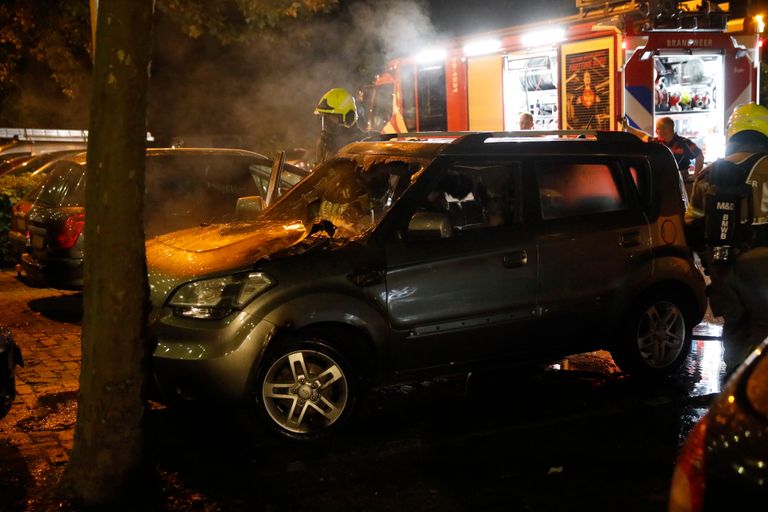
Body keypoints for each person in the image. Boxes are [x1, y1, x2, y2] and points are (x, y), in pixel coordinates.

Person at [685, 102, 768, 375]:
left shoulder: (708, 174)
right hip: (761, 266)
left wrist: (708, 261)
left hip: (721, 265)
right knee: (762, 326)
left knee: (733, 324)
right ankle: (753, 393)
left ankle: (731, 387)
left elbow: (691, 224)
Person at [625, 117, 704, 177]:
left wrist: (696, 177)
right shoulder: (657, 142)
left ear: (665, 130)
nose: (656, 131)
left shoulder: (684, 143)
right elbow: (644, 136)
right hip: (663, 180)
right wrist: (628, 128)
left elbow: (700, 155)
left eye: (657, 129)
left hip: (681, 181)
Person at [314, 87, 366, 165]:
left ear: (349, 118)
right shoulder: (323, 144)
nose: (327, 125)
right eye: (325, 119)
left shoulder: (365, 146)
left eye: (331, 119)